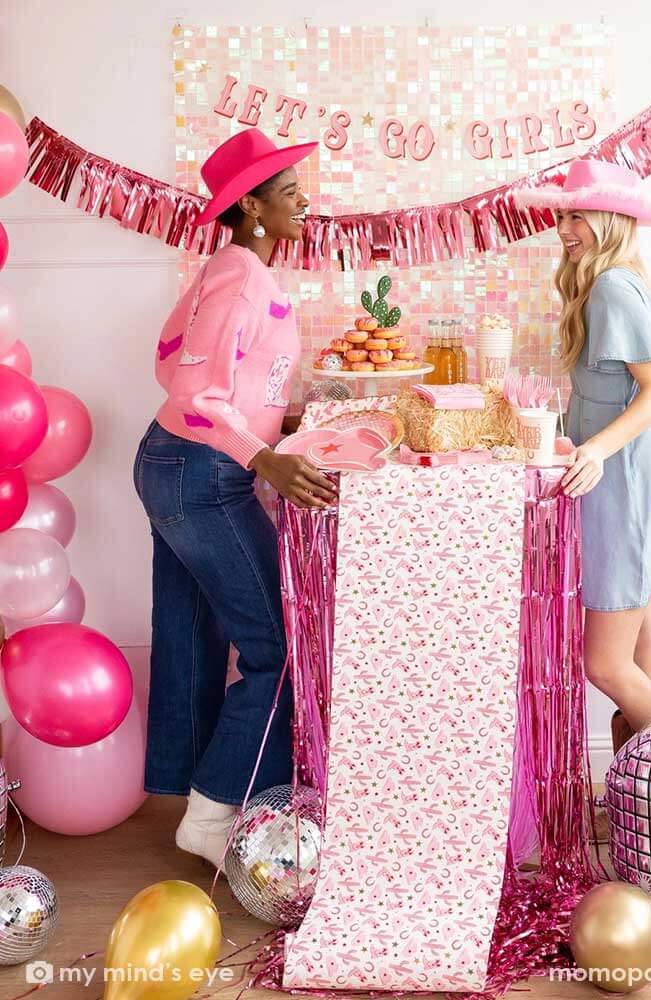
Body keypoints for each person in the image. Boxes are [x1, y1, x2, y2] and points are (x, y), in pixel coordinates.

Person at [133, 127, 337, 867]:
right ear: (250, 204)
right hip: (199, 473)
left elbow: (172, 355)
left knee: (193, 641)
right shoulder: (238, 274)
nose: (304, 201)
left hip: (183, 469)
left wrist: (287, 424)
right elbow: (188, 392)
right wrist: (265, 459)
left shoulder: (237, 268)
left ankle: (200, 798)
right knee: (277, 650)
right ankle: (214, 819)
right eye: (288, 192)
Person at [520, 159, 651, 753]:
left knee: (606, 665)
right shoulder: (601, 282)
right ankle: (646, 799)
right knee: (641, 652)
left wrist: (591, 449)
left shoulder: (613, 287)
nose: (564, 227)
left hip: (624, 490)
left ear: (611, 218)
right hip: (626, 482)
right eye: (562, 215)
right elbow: (604, 395)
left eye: (577, 215)